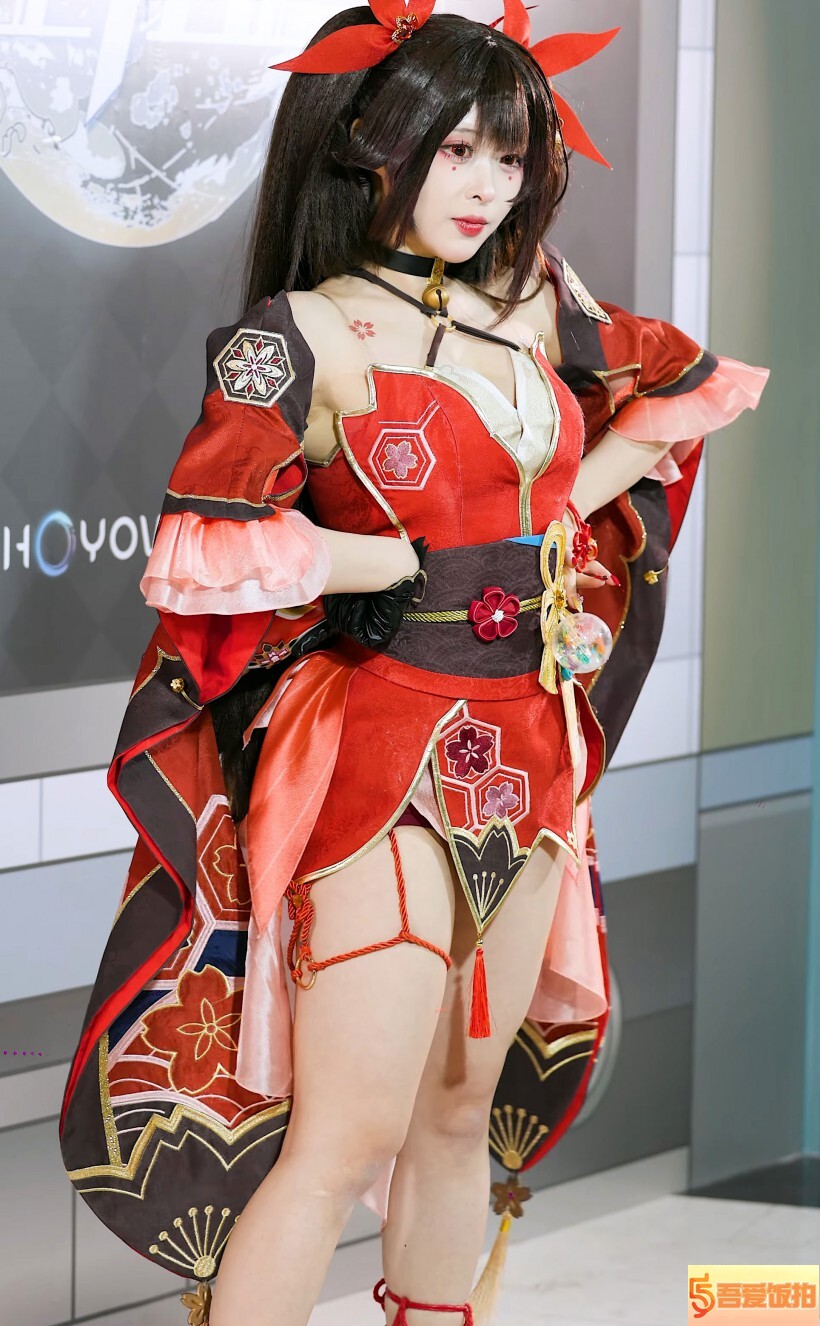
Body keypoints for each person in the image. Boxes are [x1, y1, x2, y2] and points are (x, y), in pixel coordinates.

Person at [58, 5, 770, 1325]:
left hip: (532, 757)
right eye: (455, 151)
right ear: (373, 144)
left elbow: (613, 448)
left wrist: (592, 485)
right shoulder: (305, 332)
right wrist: (380, 563)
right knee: (344, 1139)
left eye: (509, 155)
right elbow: (203, 547)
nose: (486, 185)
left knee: (457, 1122)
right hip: (380, 757)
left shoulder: (536, 306)